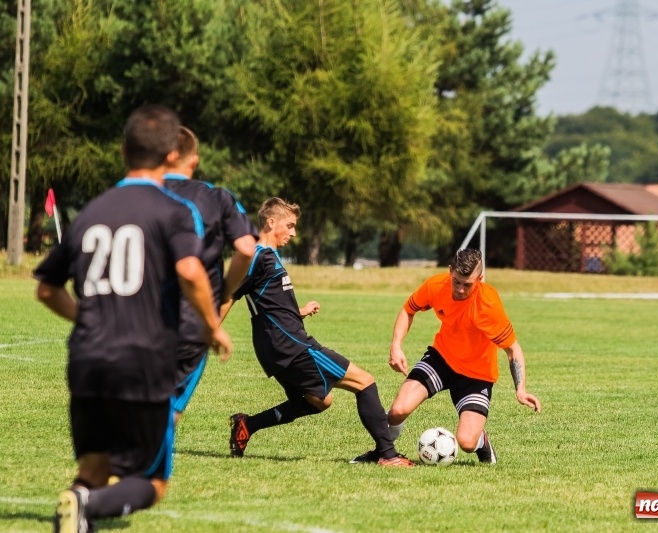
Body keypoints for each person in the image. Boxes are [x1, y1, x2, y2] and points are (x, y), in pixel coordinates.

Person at [34, 104, 233, 533]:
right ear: (169, 158)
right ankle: (85, 504)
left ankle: (79, 505)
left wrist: (85, 315)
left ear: (123, 150)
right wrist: (213, 326)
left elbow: (47, 289)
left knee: (92, 468)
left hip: (87, 357)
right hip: (142, 359)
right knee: (153, 483)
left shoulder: (91, 211)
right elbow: (190, 270)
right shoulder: (174, 211)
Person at [222, 197, 414, 467]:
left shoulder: (267, 256)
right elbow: (227, 295)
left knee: (319, 401)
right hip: (293, 346)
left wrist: (297, 311)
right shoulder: (256, 257)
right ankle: (388, 454)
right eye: (289, 225)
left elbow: (266, 302)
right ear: (271, 222)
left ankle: (247, 425)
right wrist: (207, 330)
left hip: (279, 347)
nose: (293, 233)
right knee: (365, 382)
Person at [354, 248, 541, 465]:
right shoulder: (437, 286)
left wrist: (520, 389)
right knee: (397, 411)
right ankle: (384, 452)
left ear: (480, 279)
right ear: (450, 271)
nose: (460, 289)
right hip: (441, 359)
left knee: (466, 442)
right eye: (457, 282)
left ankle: (482, 440)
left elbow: (513, 350)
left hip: (476, 375)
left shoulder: (488, 306)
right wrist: (396, 346)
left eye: (467, 284)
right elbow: (408, 310)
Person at [162, 126, 257, 422]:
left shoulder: (134, 193)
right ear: (193, 160)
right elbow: (245, 248)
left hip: (134, 314)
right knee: (168, 409)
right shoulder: (217, 197)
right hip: (192, 320)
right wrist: (226, 291)